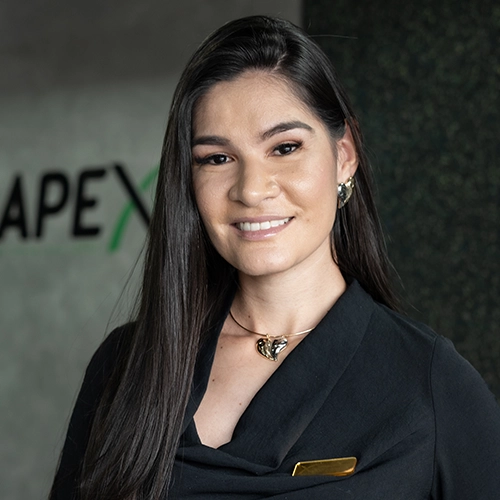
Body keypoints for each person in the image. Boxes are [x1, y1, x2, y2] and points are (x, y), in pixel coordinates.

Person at [49, 15, 500, 500]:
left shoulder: (429, 382)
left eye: (284, 148)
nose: (251, 189)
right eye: (217, 158)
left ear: (344, 155)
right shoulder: (126, 365)